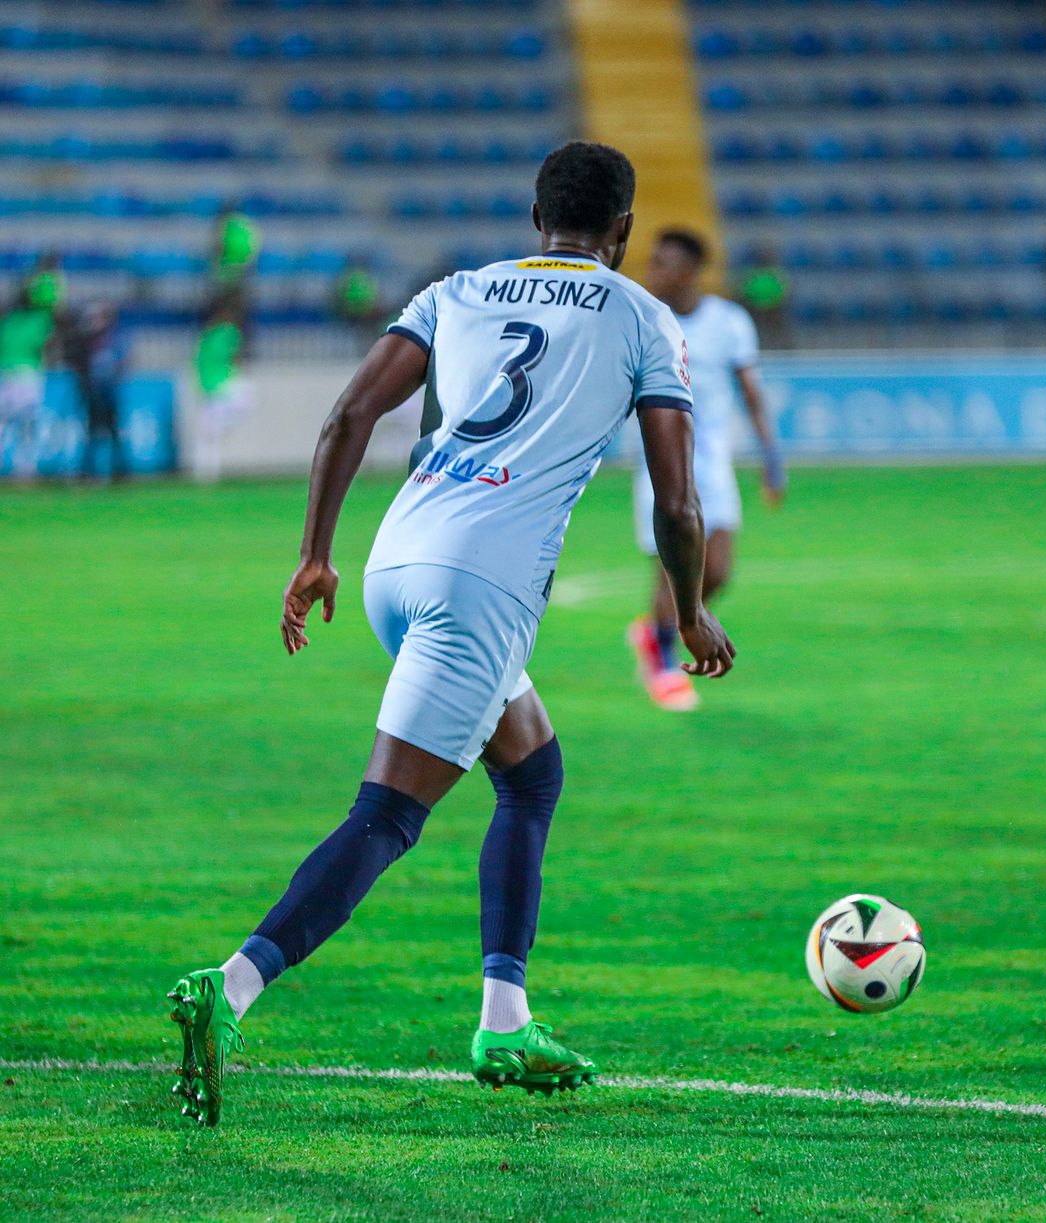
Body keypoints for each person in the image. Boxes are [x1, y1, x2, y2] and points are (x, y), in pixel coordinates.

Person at [166, 141, 736, 1128]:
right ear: (623, 230)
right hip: (482, 586)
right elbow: (678, 503)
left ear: (536, 217)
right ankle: (232, 984)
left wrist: (315, 554)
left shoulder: (457, 291)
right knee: (387, 814)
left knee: (533, 772)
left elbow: (349, 413)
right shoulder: (644, 316)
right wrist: (688, 610)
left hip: (397, 559)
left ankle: (505, 1019)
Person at [629, 229, 784, 711]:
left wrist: (771, 460)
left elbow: (751, 393)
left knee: (717, 570)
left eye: (664, 263)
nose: (653, 272)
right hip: (660, 462)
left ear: (692, 271)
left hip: (714, 462)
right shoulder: (644, 321)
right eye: (653, 262)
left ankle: (655, 631)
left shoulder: (728, 322)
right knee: (671, 573)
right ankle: (664, 666)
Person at [62, 302, 127, 481]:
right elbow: (74, 360)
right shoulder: (87, 341)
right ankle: (87, 471)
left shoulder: (114, 340)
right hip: (93, 392)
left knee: (112, 433)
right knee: (91, 432)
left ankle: (118, 470)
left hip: (108, 394)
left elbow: (121, 364)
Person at [191, 290, 251, 481]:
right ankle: (207, 473)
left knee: (207, 432)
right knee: (210, 431)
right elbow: (236, 358)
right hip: (225, 385)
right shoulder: (229, 332)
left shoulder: (206, 336)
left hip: (214, 388)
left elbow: (199, 363)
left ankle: (206, 474)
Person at [0, 289, 54, 479]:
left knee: (3, 421)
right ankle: (25, 468)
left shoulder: (8, 321)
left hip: (5, 372)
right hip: (27, 374)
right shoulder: (40, 320)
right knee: (27, 423)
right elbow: (43, 344)